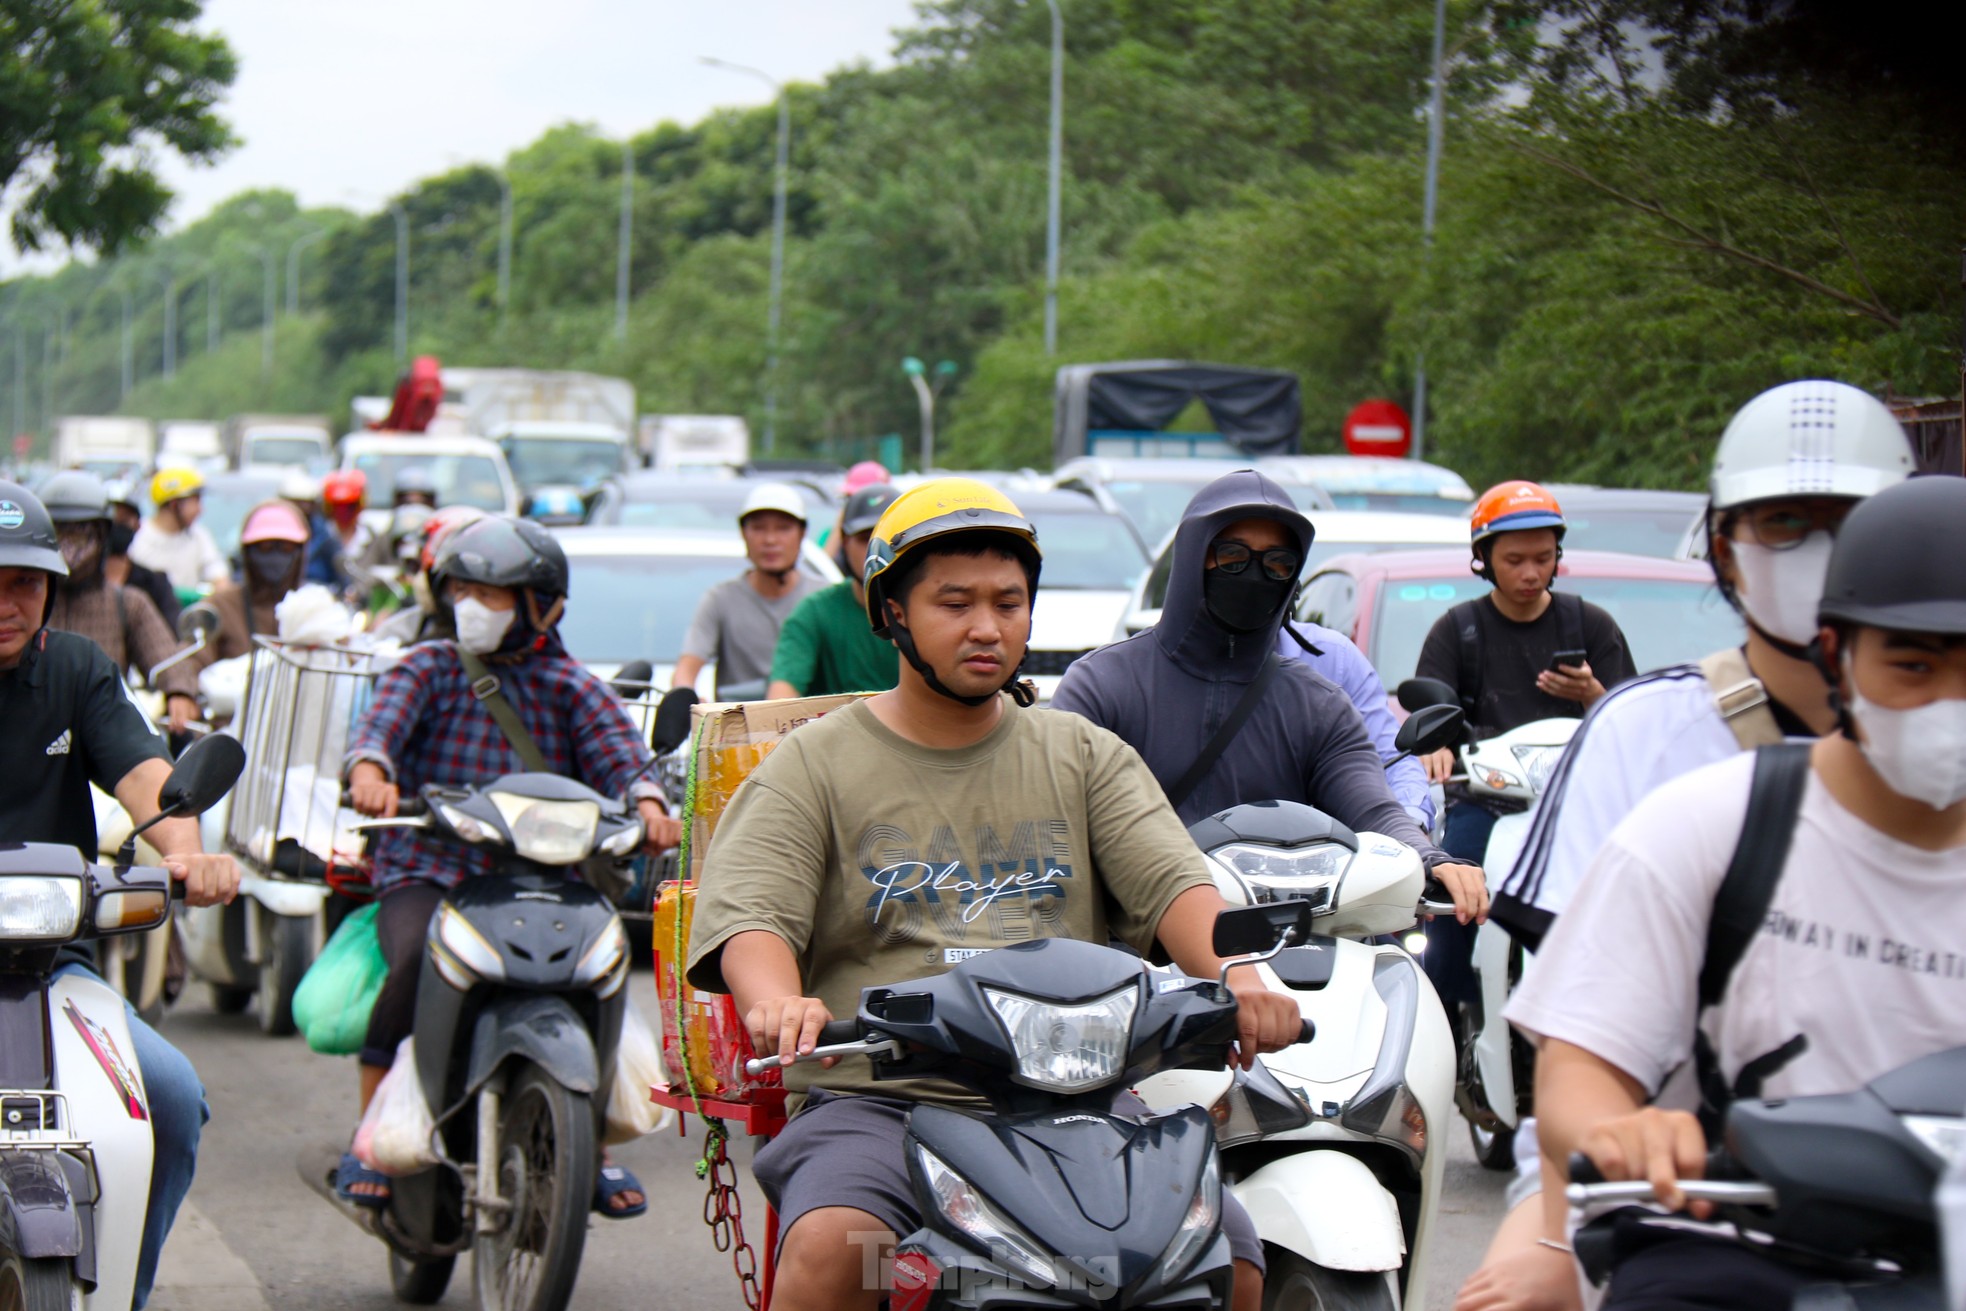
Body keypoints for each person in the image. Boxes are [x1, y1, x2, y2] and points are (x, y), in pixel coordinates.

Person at [686, 478, 1305, 1311]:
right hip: (884, 1102)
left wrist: (1242, 977)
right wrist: (777, 1002)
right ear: (893, 613)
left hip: (1079, 1104)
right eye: (955, 601)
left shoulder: (1082, 752)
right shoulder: (813, 763)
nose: (987, 626)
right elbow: (754, 914)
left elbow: (1175, 887)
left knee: (1226, 1262)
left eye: (1008, 602)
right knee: (839, 1251)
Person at [1455, 380, 1917, 1311]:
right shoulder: (1660, 754)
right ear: (1724, 548)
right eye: (1784, 523)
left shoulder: (1933, 761)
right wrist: (1573, 1203)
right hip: (1678, 1194)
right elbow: (1581, 1029)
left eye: (1848, 522)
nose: (1818, 551)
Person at [341, 515, 683, 1215]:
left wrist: (649, 805)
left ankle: (592, 1137)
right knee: (411, 959)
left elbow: (622, 759)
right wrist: (370, 769)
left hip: (543, 877)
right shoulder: (428, 667)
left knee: (599, 964)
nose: (471, 604)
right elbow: (376, 731)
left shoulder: (570, 685)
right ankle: (368, 1129)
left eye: (491, 593)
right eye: (462, 588)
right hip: (429, 870)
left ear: (544, 605)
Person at [0, 478, 239, 1310]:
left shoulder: (76, 669)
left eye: (23, 583)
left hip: (47, 963)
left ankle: (122, 1297)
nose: (7, 605)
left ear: (50, 589)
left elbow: (147, 777)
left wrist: (188, 851)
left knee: (171, 1098)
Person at [1050, 469, 1487, 917]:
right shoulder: (1102, 685)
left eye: (1277, 563)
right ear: (1193, 557)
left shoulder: (1318, 704)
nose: (1253, 575)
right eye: (1232, 556)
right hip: (1139, 951)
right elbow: (1055, 823)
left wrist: (1428, 857)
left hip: (1294, 944)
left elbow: (1373, 808)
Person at [1408, 480, 1636, 1008]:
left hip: (1576, 805)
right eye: (1514, 560)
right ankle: (1447, 1020)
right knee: (1449, 898)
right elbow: (1429, 712)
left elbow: (1632, 719)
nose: (1531, 572)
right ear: (1483, 559)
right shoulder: (1457, 630)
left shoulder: (1592, 625)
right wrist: (1435, 745)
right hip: (1484, 802)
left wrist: (1593, 694)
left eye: (1543, 557)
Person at [40, 472, 203, 735]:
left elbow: (165, 657)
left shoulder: (127, 603)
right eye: (59, 533)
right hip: (33, 729)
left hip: (103, 733)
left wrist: (180, 692)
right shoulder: (23, 599)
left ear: (104, 535)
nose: (70, 546)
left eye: (82, 534)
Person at [1279, 614, 1436, 829]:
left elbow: (1391, 760)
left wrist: (1411, 827)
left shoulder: (1335, 656)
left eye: (1278, 576)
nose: (1253, 583)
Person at [674, 483, 825, 699]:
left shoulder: (822, 599)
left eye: (783, 528)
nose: (770, 540)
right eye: (759, 528)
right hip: (738, 727)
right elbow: (686, 669)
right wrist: (687, 699)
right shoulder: (721, 599)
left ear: (802, 534)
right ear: (743, 534)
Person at [766, 483, 902, 700]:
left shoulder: (933, 611)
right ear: (845, 543)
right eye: (865, 538)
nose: (875, 550)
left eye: (890, 539)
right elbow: (780, 698)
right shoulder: (815, 612)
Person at [187, 501, 312, 675]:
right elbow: (190, 660)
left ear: (300, 553)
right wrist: (181, 694)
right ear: (247, 552)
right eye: (265, 547)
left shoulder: (315, 608)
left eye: (286, 548)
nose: (275, 557)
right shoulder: (221, 606)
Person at [369, 505, 484, 646]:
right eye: (460, 587)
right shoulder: (402, 631)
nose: (468, 599)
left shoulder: (511, 646)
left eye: (485, 592)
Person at [128, 466, 227, 597]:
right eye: (196, 501)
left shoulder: (198, 536)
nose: (200, 510)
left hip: (186, 615)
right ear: (174, 504)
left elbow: (219, 578)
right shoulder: (137, 537)